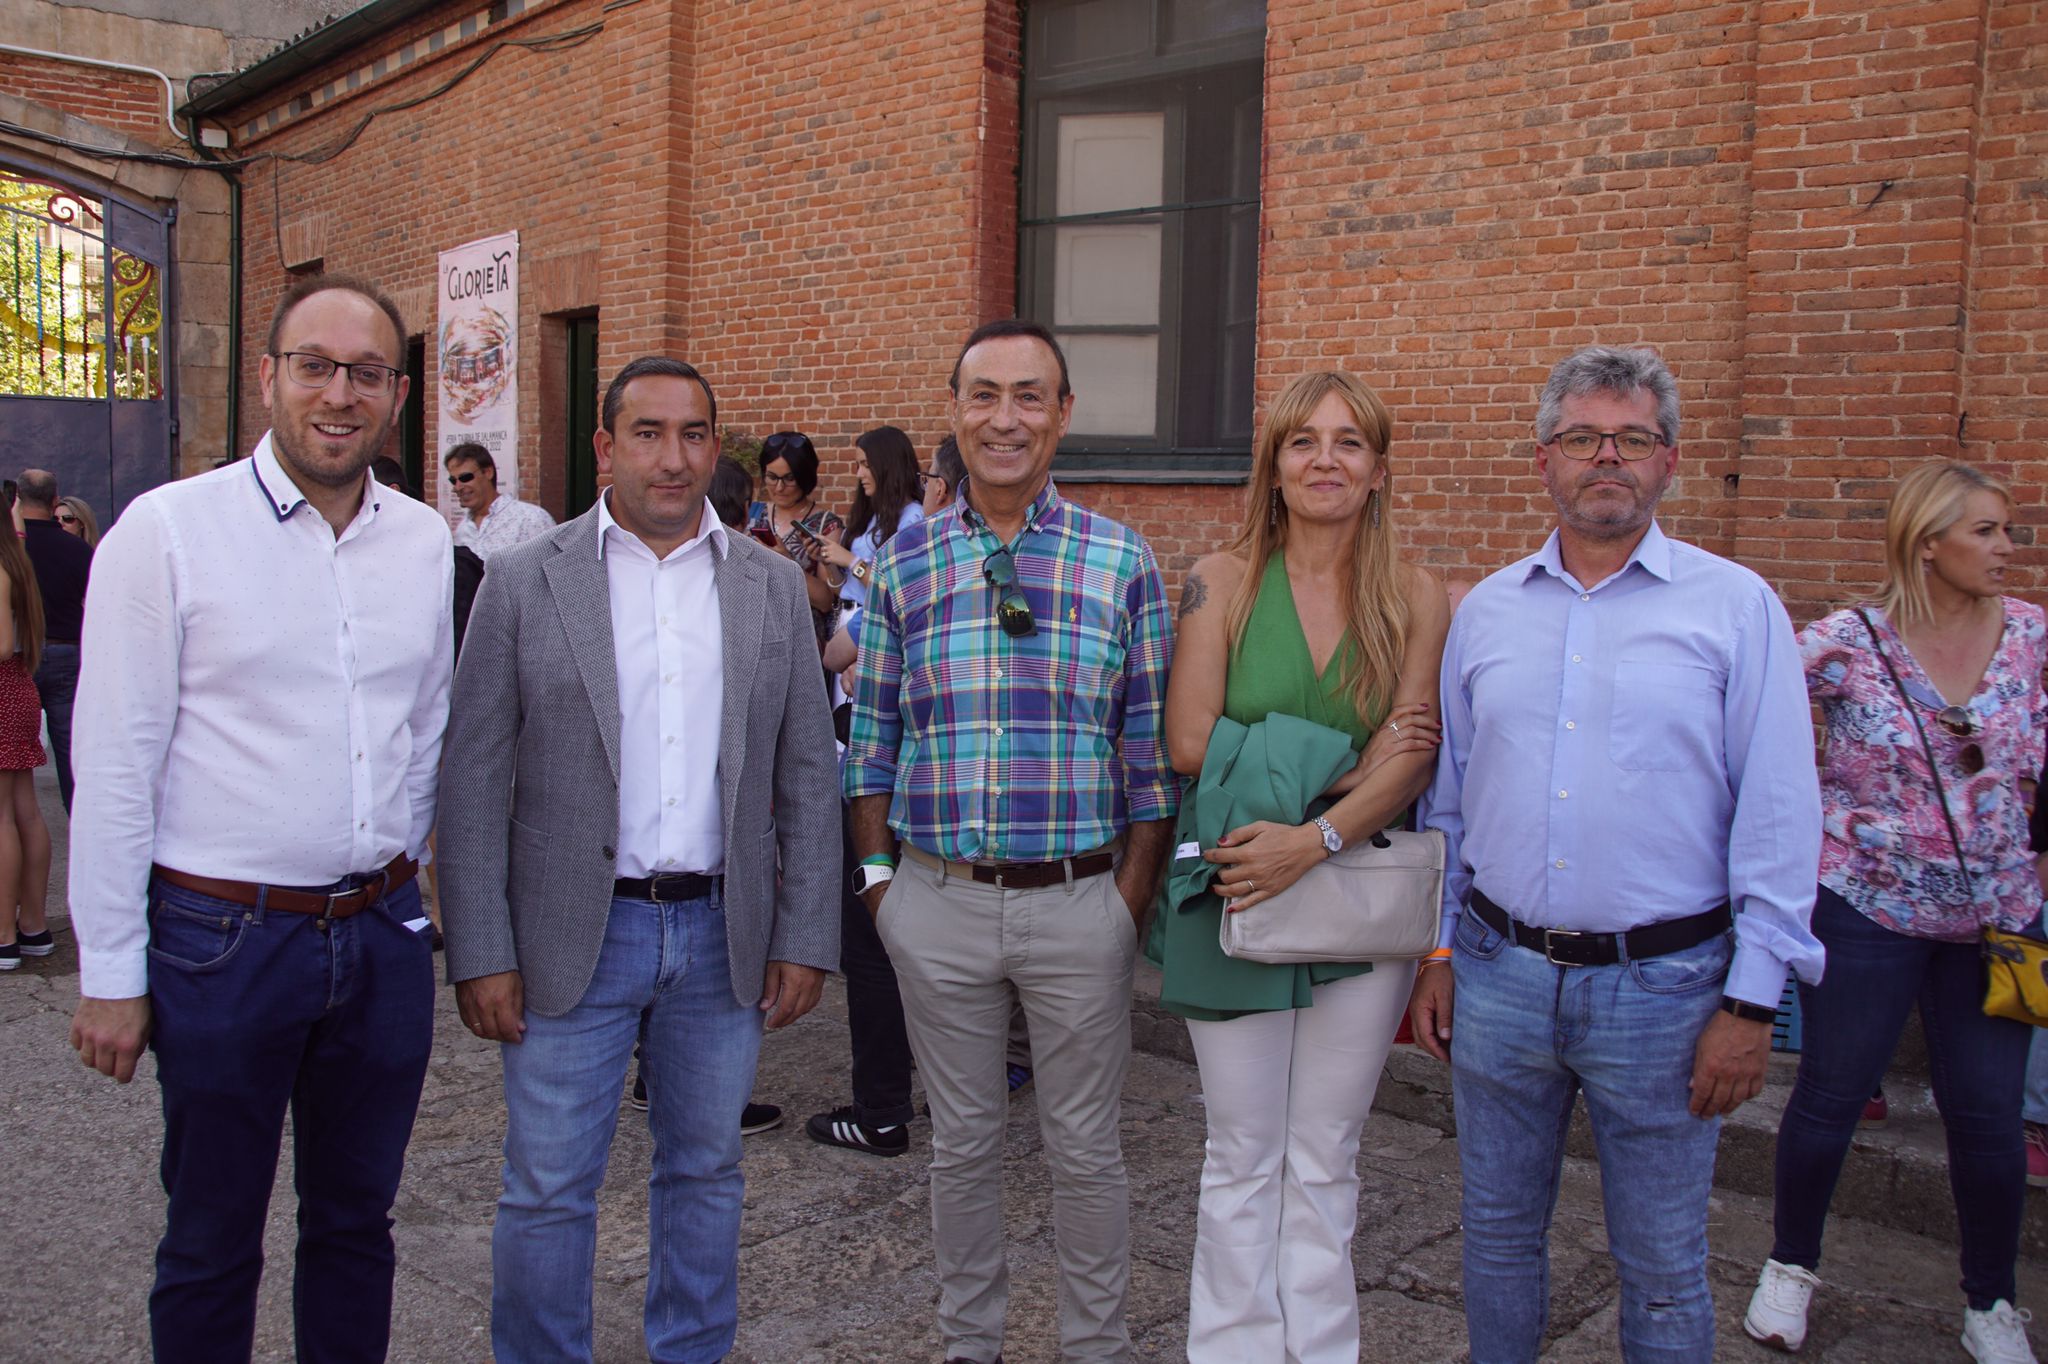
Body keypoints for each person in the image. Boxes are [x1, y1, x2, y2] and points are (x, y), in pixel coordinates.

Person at [67, 272, 453, 1363]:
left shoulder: (422, 541)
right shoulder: (169, 531)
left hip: (377, 938)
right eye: (316, 367)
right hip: (223, 940)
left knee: (354, 1225)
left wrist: (405, 889)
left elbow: (424, 723)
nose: (339, 394)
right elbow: (116, 757)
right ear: (270, 376)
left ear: (398, 392)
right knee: (211, 1234)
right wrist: (111, 966)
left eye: (365, 373)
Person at [1411, 344, 1822, 1363]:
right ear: (1542, 459)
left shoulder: (1735, 608)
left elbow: (1777, 816)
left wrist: (1750, 1002)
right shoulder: (1487, 612)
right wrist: (1436, 952)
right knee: (1497, 1237)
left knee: (1665, 1266)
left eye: (1631, 438)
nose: (1607, 457)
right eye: (1582, 437)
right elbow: (1449, 804)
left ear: (1668, 460)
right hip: (1498, 978)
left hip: (1669, 991)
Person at [438, 355, 839, 1364]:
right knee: (546, 1186)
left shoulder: (768, 587)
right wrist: (477, 946)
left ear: (715, 446)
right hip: (574, 930)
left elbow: (803, 770)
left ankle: (690, 1349)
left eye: (694, 433)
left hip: (719, 935)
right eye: (649, 433)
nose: (674, 457)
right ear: (605, 446)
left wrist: (805, 933)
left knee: (705, 1173)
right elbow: (475, 774)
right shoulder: (526, 581)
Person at [844, 318, 1178, 1363]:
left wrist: (1123, 905)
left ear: (1063, 414)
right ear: (955, 411)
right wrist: (879, 890)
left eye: (1029, 395)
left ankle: (1094, 1346)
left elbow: (1148, 762)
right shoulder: (905, 565)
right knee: (962, 1148)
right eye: (983, 394)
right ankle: (966, 1344)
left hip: (1079, 905)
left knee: (1085, 1153)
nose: (1005, 417)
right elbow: (870, 743)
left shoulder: (1120, 560)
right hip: (934, 901)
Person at [1157, 370, 1448, 1362]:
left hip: (1354, 896)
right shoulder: (1224, 576)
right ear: (1273, 466)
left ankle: (1319, 1348)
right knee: (1239, 1148)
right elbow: (1190, 738)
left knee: (1325, 1151)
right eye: (1302, 441)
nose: (1324, 460)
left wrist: (1311, 835)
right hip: (1236, 883)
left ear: (1377, 470)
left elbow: (1415, 751)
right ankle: (1230, 1348)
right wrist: (1347, 769)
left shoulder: (1414, 594)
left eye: (1348, 442)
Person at [1744, 461, 2044, 1363]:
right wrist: (1818, 835)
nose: (2006, 547)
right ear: (1927, 542)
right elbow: (1763, 742)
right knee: (1832, 1094)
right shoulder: (1844, 642)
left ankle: (1991, 1302)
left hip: (1998, 922)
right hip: (1867, 908)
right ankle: (1789, 1268)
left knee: (1989, 1117)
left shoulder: (2033, 636)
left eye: (2006, 529)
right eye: (1985, 531)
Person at [17, 468, 90, 811]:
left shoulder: (12, 550)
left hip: (19, 656)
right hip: (67, 652)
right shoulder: (77, 550)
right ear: (54, 501)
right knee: (70, 750)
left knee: (11, 759)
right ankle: (82, 821)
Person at [0, 516, 48, 971]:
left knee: (4, 818)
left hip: (2, 687)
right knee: (24, 811)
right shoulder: (18, 567)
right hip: (16, 687)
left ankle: (4, 934)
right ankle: (32, 925)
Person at [811, 425, 924, 613]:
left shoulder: (912, 517)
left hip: (873, 622)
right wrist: (830, 562)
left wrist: (851, 561)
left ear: (888, 465)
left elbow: (898, 592)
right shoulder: (870, 514)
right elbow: (845, 591)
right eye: (858, 465)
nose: (858, 474)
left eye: (866, 465)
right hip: (847, 616)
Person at [747, 431, 844, 649]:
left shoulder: (826, 525)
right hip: (753, 634)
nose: (779, 487)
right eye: (772, 477)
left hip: (801, 641)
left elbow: (826, 601)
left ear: (804, 477)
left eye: (789, 479)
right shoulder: (753, 514)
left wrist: (787, 563)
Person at [446, 440, 555, 559]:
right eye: (453, 481)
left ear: (488, 472)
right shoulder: (462, 530)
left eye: (465, 477)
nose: (457, 487)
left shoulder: (531, 519)